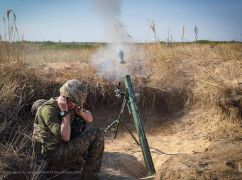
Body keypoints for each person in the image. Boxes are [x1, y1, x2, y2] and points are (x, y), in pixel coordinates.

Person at [32, 79, 104, 180]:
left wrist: (81, 113)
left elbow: (90, 118)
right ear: (65, 97)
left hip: (62, 149)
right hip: (52, 155)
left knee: (85, 126)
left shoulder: (71, 105)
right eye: (74, 103)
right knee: (96, 133)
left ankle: (84, 172)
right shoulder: (49, 110)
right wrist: (64, 113)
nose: (75, 106)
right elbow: (65, 137)